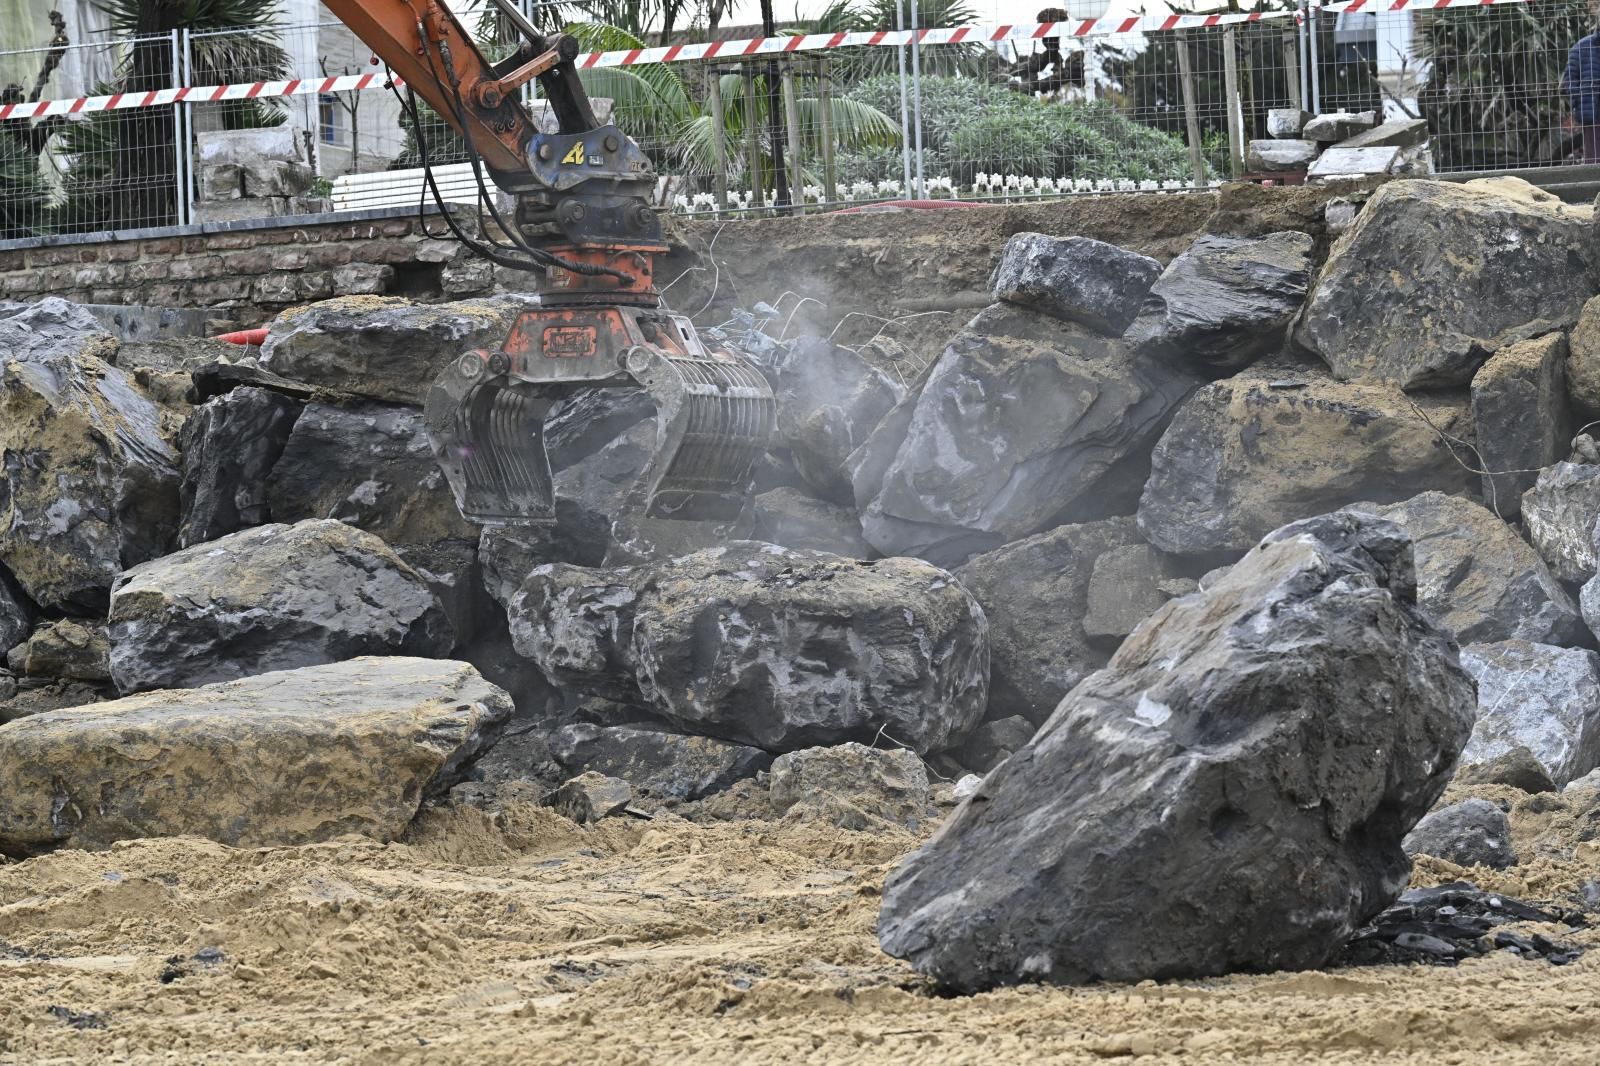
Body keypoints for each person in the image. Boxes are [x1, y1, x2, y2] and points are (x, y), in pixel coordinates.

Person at [1566, 27, 1600, 163]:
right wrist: (1579, 105)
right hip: (1593, 113)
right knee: (1595, 162)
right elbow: (1569, 80)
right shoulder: (1582, 46)